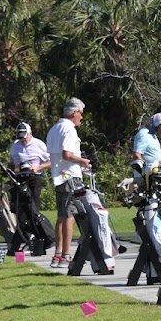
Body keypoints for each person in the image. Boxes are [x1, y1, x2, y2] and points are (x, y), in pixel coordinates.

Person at [45, 98, 91, 269]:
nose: (82, 117)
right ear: (73, 113)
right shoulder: (69, 129)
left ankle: (57, 255)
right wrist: (83, 161)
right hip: (70, 176)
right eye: (80, 113)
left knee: (62, 215)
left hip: (59, 176)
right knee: (69, 216)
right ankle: (65, 255)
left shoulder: (55, 128)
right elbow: (67, 154)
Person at [8, 122, 51, 209]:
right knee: (18, 205)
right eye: (20, 138)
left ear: (30, 133)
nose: (22, 140)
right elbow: (11, 162)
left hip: (34, 178)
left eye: (24, 138)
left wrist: (38, 167)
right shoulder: (15, 145)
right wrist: (13, 168)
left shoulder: (39, 144)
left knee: (33, 204)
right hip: (19, 177)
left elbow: (50, 161)